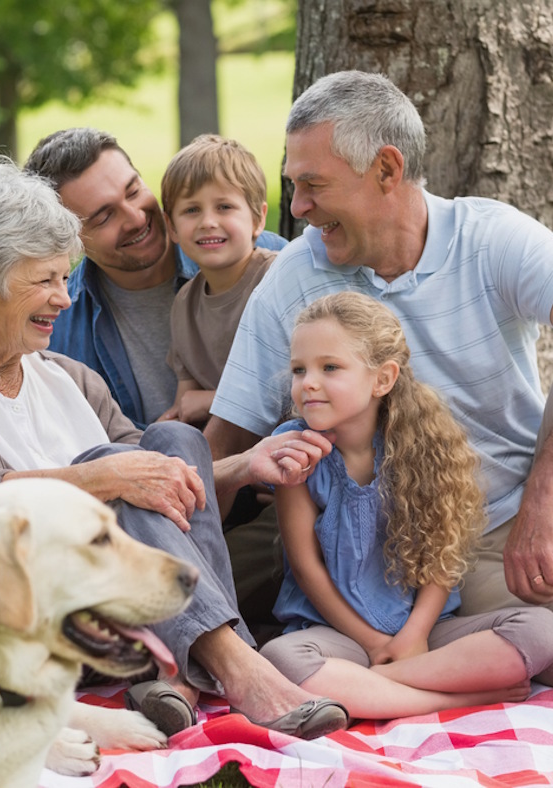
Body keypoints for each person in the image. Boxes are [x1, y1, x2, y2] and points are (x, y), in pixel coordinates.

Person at [0, 156, 348, 740]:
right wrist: (103, 479)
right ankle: (233, 665)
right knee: (114, 463)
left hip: (106, 621)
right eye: (44, 280)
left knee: (175, 441)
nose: (64, 297)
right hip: (5, 621)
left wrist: (239, 466)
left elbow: (162, 478)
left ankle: (176, 677)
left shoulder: (70, 377)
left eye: (62, 277)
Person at [205, 70, 553, 627]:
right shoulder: (296, 274)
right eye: (293, 185)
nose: (297, 208)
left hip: (492, 529)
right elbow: (226, 440)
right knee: (188, 600)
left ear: (387, 169)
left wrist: (544, 502)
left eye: (314, 184)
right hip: (347, 544)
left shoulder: (493, 240)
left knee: (534, 638)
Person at [259, 292, 553, 718]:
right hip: (338, 635)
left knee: (541, 629)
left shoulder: (421, 445)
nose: (308, 382)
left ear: (382, 379)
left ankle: (372, 692)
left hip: (425, 634)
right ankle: (453, 697)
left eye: (330, 368)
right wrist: (375, 643)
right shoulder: (295, 448)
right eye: (299, 369)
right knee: (281, 661)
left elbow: (442, 554)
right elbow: (307, 569)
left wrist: (413, 637)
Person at [23, 128, 287, 429]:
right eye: (104, 217)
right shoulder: (57, 333)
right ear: (71, 242)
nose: (136, 218)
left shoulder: (270, 261)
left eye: (133, 191)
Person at [157, 134, 278, 429]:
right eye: (191, 210)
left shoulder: (276, 280)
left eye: (224, 207)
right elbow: (186, 404)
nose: (208, 221)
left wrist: (213, 400)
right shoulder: (184, 305)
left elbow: (304, 383)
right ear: (171, 226)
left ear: (258, 218)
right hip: (226, 442)